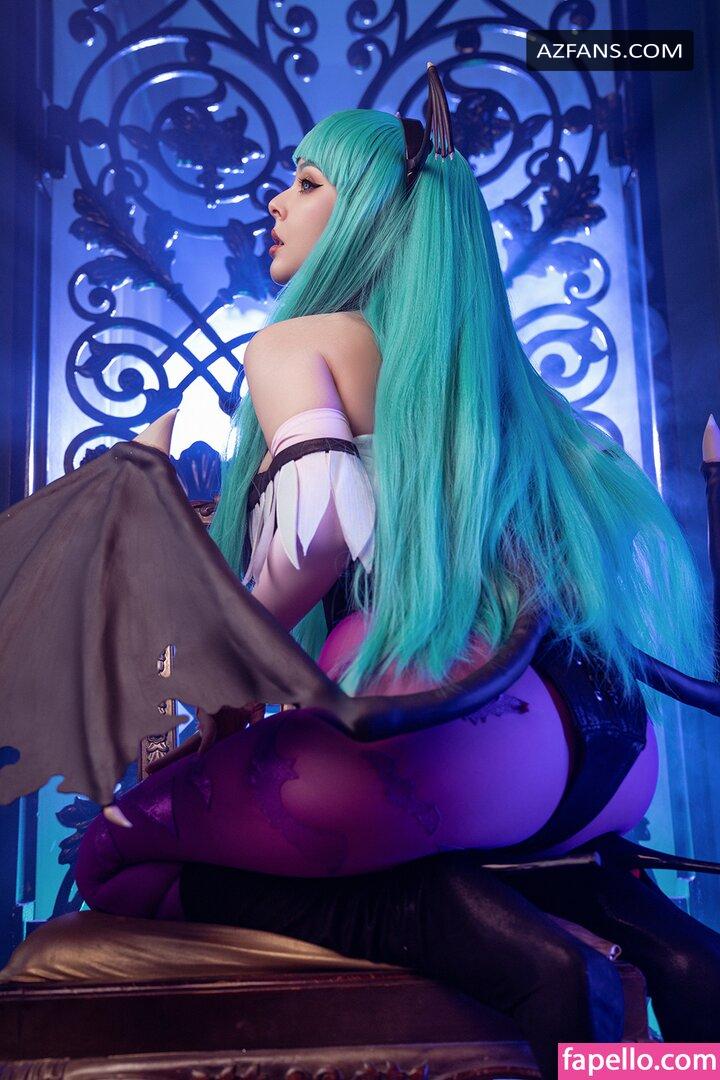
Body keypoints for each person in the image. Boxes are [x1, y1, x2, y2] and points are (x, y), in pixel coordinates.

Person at [28, 73, 720, 1076]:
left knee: (114, 847)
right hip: (608, 753)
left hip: (439, 738)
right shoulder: (513, 387)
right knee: (627, 922)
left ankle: (510, 954)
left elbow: (320, 534)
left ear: (370, 219)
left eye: (307, 183)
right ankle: (665, 1040)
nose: (276, 201)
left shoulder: (298, 343)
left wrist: (212, 675)